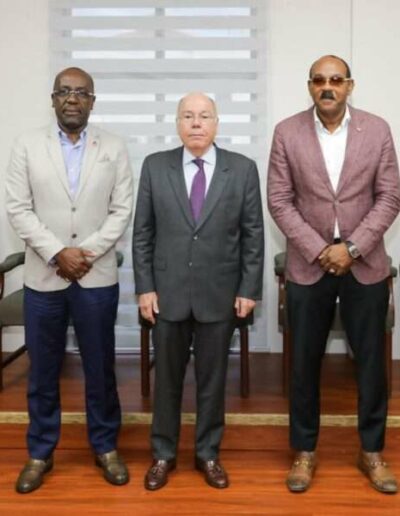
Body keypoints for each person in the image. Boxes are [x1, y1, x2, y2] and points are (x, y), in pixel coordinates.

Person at [267, 55, 400, 494]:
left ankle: (372, 451)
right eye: (320, 80)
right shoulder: (287, 132)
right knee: (304, 365)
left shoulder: (377, 130)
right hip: (310, 264)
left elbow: (390, 196)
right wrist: (320, 249)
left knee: (372, 367)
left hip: (365, 264)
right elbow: (279, 200)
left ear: (349, 86)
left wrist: (353, 248)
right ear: (310, 86)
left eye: (336, 80)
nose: (328, 87)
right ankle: (304, 452)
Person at [6, 67, 133, 493]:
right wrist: (57, 252)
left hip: (96, 277)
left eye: (81, 93)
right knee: (43, 371)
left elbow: (121, 210)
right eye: (64, 91)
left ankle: (106, 447)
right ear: (53, 99)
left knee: (100, 369)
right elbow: (18, 208)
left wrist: (84, 254)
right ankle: (40, 452)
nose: (72, 99)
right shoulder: (26, 145)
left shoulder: (114, 147)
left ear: (92, 101)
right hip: (44, 277)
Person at [133, 92, 264, 490]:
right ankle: (163, 454)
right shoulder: (155, 166)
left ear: (216, 123)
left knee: (213, 382)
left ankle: (208, 454)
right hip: (167, 294)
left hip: (219, 295)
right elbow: (143, 234)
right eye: (187, 116)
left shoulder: (242, 169)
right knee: (167, 382)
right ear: (177, 123)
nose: (195, 123)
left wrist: (248, 289)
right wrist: (145, 288)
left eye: (204, 116)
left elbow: (253, 236)